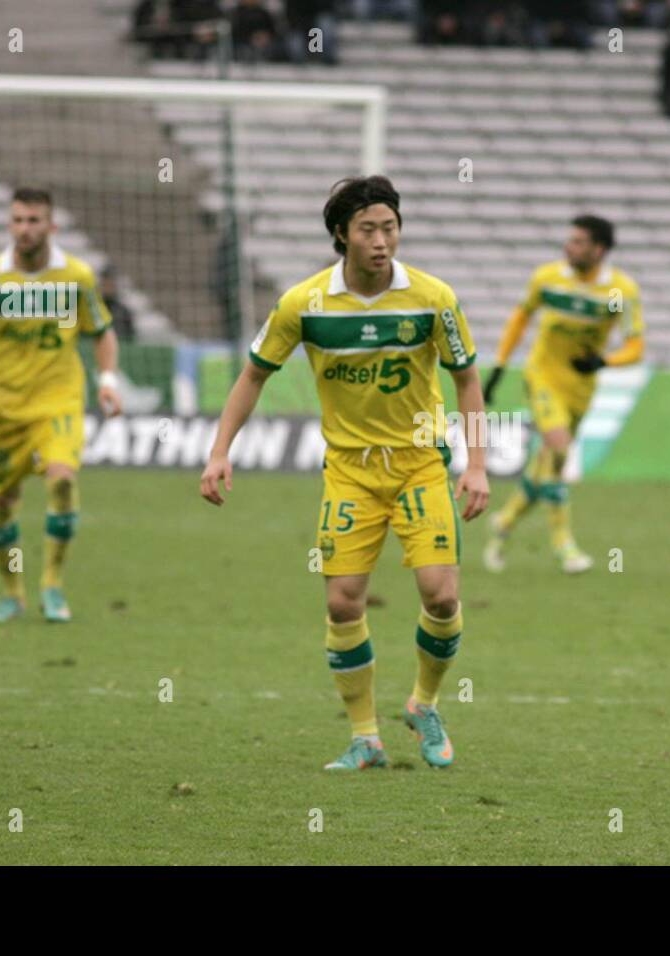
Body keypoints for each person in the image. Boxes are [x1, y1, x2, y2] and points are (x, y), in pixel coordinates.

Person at [200, 176, 489, 771]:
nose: (382, 241)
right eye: (368, 230)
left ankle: (424, 704)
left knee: (442, 594)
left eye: (390, 227)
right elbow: (255, 374)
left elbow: (466, 379)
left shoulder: (433, 298)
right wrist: (219, 450)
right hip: (350, 474)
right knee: (342, 604)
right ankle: (365, 738)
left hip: (418, 466)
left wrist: (477, 464)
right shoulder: (302, 304)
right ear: (341, 235)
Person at [0, 188, 122, 624]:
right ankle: (12, 593)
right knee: (4, 502)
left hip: (57, 399)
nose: (25, 229)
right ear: (9, 225)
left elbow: (101, 331)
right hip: (3, 406)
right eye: (18, 220)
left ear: (52, 227)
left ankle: (52, 586)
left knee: (61, 480)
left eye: (34, 220)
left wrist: (107, 379)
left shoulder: (76, 277)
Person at [480, 215, 644, 575]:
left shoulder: (619, 293)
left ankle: (505, 522)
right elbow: (520, 318)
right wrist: (499, 366)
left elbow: (636, 346)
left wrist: (604, 361)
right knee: (557, 448)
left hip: (580, 387)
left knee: (549, 465)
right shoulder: (548, 279)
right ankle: (564, 546)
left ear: (599, 250)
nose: (568, 247)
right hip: (542, 377)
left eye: (578, 242)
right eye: (569, 240)